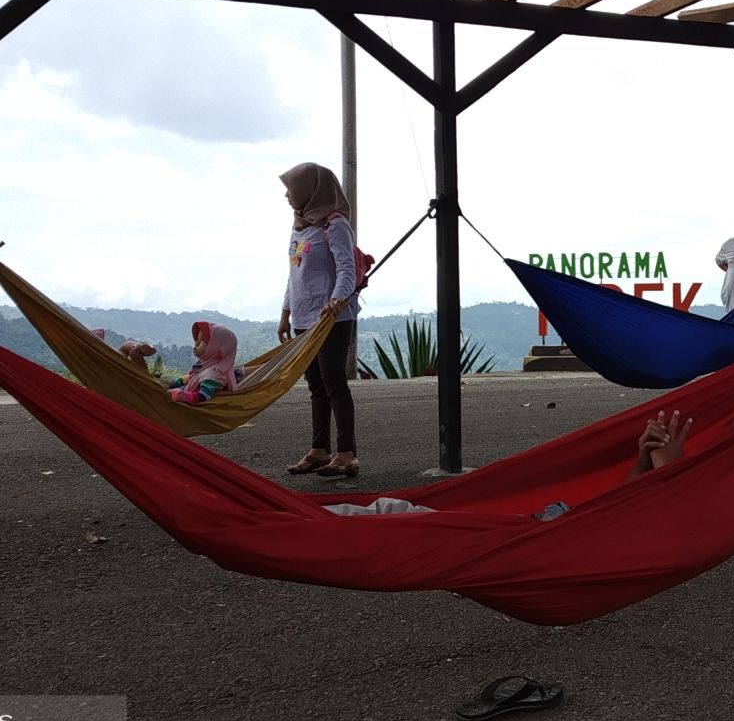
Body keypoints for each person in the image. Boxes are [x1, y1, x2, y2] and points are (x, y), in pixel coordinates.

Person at [323, 410, 694, 517]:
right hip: (519, 529)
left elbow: (666, 532)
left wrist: (670, 473)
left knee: (388, 514)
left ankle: (276, 524)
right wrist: (646, 467)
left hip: (507, 540)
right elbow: (614, 515)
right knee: (387, 513)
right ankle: (277, 521)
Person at [278, 162, 361, 478]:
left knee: (333, 382)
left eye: (292, 189)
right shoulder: (299, 227)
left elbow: (346, 270)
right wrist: (285, 314)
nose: (288, 195)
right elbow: (293, 274)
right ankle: (319, 450)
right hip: (302, 318)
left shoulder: (335, 224)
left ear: (311, 190)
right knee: (315, 385)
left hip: (331, 319)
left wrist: (338, 300)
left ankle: (347, 454)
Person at [166, 321, 239, 404]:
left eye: (202, 340)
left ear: (216, 348)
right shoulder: (204, 366)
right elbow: (190, 378)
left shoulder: (214, 374)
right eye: (197, 339)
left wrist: (180, 394)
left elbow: (203, 396)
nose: (196, 343)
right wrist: (172, 383)